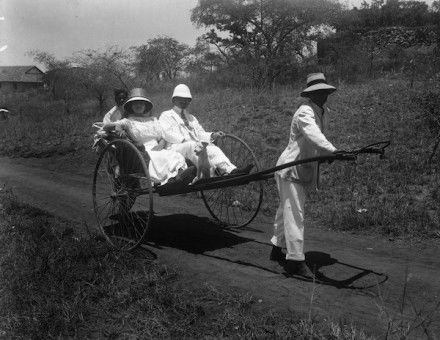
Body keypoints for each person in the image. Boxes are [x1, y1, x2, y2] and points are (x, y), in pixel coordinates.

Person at [270, 73, 338, 278]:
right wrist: (331, 151)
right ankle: (295, 260)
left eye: (325, 91)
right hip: (291, 168)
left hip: (301, 167)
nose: (323, 95)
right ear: (311, 94)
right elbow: (313, 134)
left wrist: (324, 154)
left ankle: (276, 248)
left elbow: (313, 142)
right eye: (319, 92)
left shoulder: (323, 112)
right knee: (295, 213)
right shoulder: (305, 112)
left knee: (286, 210)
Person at [159, 84, 252, 177]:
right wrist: (184, 140)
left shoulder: (191, 118)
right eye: (181, 98)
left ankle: (231, 170)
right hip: (176, 148)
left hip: (195, 146)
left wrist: (213, 135)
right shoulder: (166, 115)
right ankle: (210, 174)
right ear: (174, 100)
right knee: (192, 145)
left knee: (213, 148)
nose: (184, 101)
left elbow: (200, 133)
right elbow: (166, 133)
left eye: (186, 99)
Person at [102, 88, 187, 185]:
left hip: (158, 147)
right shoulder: (127, 121)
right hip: (142, 150)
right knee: (160, 157)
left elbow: (162, 137)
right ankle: (168, 180)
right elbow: (106, 126)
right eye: (136, 103)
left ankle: (178, 177)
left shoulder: (153, 120)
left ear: (145, 106)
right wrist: (118, 127)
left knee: (173, 155)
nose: (139, 105)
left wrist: (160, 145)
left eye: (141, 103)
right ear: (131, 106)